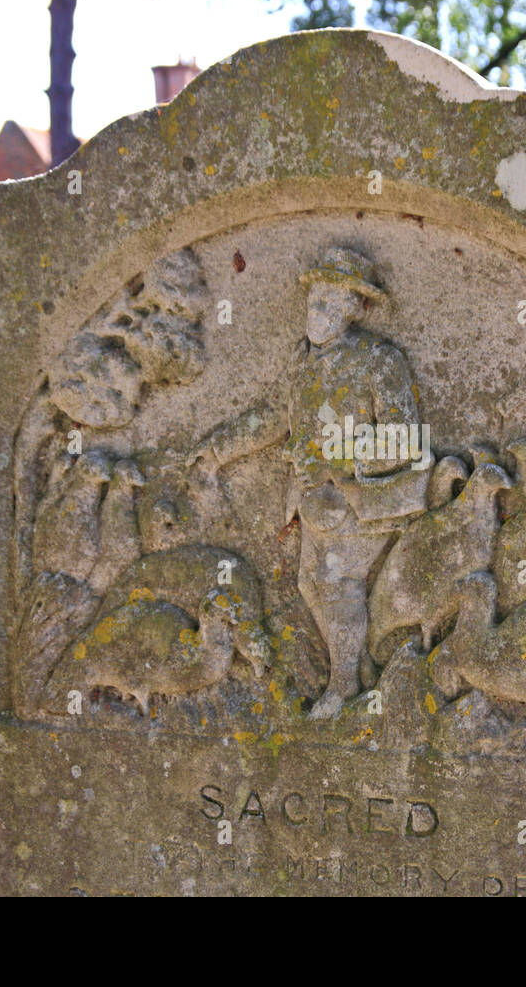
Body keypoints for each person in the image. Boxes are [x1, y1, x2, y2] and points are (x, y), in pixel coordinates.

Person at [189, 248, 430, 718]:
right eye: (314, 301)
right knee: (308, 583)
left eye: (330, 305)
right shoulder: (303, 359)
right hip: (315, 503)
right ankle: (359, 676)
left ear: (356, 310)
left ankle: (343, 688)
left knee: (336, 580)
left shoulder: (379, 360)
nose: (316, 314)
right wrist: (218, 449)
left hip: (365, 498)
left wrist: (334, 454)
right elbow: (272, 416)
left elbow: (404, 438)